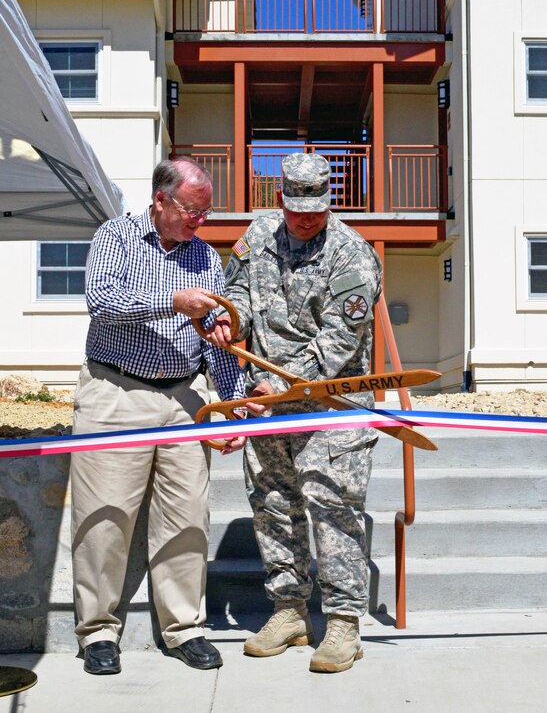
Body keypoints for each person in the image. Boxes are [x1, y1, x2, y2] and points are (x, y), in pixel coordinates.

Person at [70, 157, 246, 675]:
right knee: (104, 518)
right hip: (115, 392)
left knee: (187, 518)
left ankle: (185, 627)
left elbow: (216, 342)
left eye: (206, 212)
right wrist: (173, 301)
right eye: (194, 210)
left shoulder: (206, 259)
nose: (200, 221)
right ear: (161, 200)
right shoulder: (115, 237)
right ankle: (98, 631)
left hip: (184, 397)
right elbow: (101, 301)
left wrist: (230, 405)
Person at [211, 152, 383, 673]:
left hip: (331, 404)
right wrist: (228, 318)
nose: (307, 218)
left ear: (329, 202)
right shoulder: (259, 233)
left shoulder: (351, 254)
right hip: (268, 405)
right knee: (272, 503)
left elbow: (339, 340)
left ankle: (343, 624)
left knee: (333, 510)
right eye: (297, 208)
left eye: (317, 209)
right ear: (281, 199)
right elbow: (236, 287)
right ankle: (288, 611)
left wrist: (275, 385)